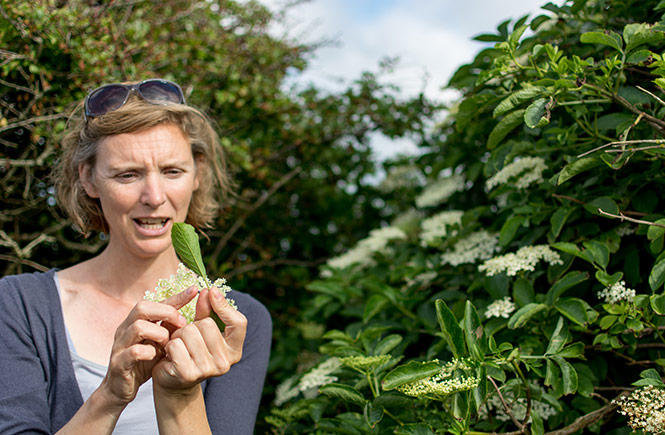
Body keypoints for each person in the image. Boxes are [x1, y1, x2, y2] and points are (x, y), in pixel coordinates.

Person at [0, 79, 272, 434]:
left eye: (172, 171)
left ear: (197, 174)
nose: (154, 196)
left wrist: (179, 393)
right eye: (128, 175)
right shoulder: (19, 305)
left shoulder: (239, 321)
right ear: (89, 179)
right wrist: (111, 395)